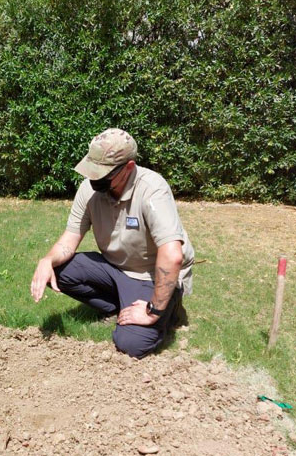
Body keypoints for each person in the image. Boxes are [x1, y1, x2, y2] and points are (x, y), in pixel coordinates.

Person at [30, 128, 194, 358]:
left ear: (128, 167)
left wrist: (153, 311)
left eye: (103, 173)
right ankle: (122, 306)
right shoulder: (89, 189)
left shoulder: (152, 189)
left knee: (131, 343)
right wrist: (47, 260)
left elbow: (172, 255)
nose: (94, 178)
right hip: (115, 267)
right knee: (56, 270)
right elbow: (70, 238)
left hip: (150, 274)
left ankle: (168, 307)